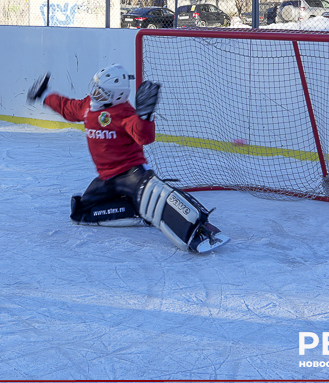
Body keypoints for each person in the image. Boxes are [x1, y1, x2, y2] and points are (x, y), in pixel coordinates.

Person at [28, 64, 229, 254]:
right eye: (96, 88)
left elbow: (144, 137)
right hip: (106, 178)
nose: (96, 94)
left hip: (131, 173)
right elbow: (68, 108)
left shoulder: (123, 113)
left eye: (102, 92)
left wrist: (145, 117)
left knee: (157, 195)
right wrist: (44, 95)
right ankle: (136, 211)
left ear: (117, 95)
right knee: (80, 213)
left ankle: (199, 229)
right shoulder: (88, 106)